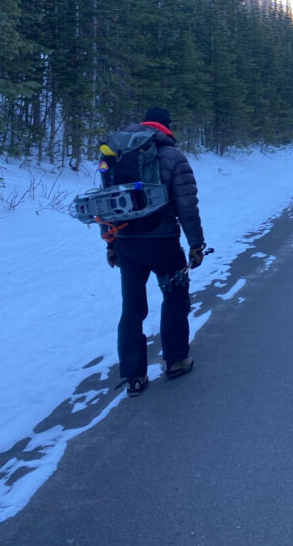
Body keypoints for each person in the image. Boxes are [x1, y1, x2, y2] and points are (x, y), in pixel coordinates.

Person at [105, 107, 206, 397]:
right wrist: (196, 245)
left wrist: (111, 244)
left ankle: (134, 376)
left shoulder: (117, 154)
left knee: (132, 308)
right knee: (175, 299)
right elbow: (187, 206)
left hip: (127, 243)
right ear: (166, 127)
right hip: (163, 242)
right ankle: (176, 360)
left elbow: (108, 204)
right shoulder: (173, 156)